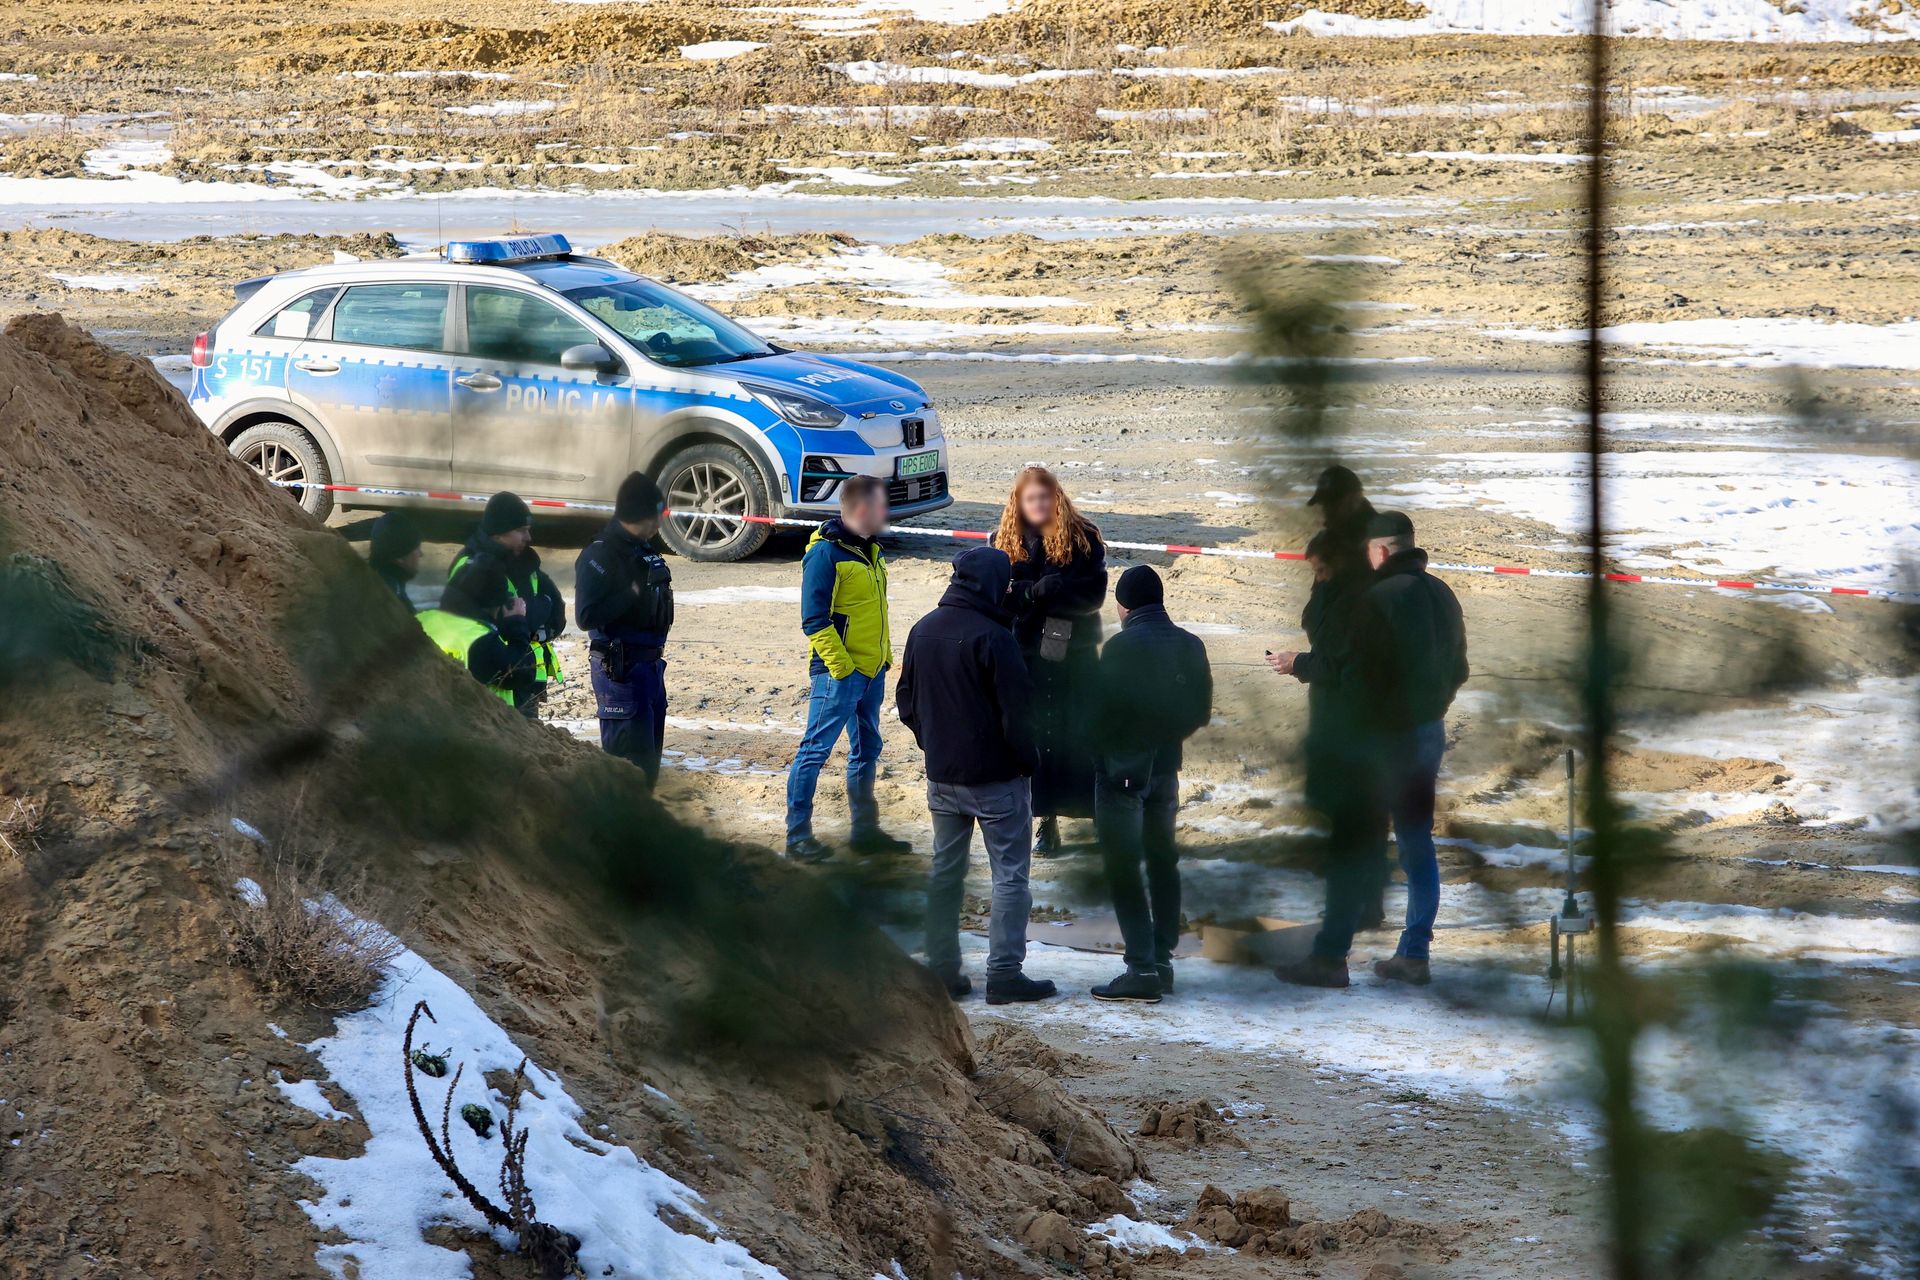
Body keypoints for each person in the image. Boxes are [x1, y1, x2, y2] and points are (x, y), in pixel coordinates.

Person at [897, 546, 1055, 1005]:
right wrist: (1028, 763)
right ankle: (1004, 974)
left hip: (942, 778)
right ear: (990, 585)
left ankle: (943, 971)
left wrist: (933, 743)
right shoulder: (994, 637)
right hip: (997, 781)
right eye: (1005, 583)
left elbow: (907, 701)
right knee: (1010, 877)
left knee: (945, 874)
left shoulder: (922, 629)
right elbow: (1018, 715)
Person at [1088, 566, 1213, 1004]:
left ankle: (1140, 968)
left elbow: (1102, 714)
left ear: (1124, 607)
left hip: (1123, 772)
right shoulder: (1190, 644)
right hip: (1166, 768)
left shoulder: (1121, 647)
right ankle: (1161, 960)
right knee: (1163, 862)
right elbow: (1200, 711)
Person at [1267, 530, 1386, 989]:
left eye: (1319, 570)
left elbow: (1338, 665)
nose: (1315, 579)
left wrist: (1298, 662)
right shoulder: (1368, 595)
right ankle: (1367, 908)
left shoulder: (1354, 604)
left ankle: (1331, 955)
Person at [785, 476, 912, 863]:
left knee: (867, 748)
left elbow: (876, 611)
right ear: (861, 509)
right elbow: (814, 620)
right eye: (881, 506)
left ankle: (864, 833)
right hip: (838, 674)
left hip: (872, 672)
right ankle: (797, 838)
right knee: (815, 751)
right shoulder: (825, 555)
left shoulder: (871, 550)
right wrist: (842, 669)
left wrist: (883, 656)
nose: (885, 513)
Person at [994, 466, 1108, 857]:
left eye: (1045, 497)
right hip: (1025, 654)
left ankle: (1094, 816)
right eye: (1031, 499)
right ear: (1020, 502)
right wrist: (1031, 595)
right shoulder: (1004, 540)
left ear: (1055, 496)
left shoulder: (1084, 537)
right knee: (1037, 736)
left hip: (1074, 655)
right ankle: (1046, 819)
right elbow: (999, 596)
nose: (1039, 505)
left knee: (1080, 734)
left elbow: (1093, 595)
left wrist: (1055, 596)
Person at [574, 472, 675, 786]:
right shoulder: (600, 554)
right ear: (646, 514)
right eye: (660, 513)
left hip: (649, 668)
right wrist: (631, 593)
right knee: (627, 774)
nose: (662, 521)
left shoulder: (641, 549)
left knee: (647, 773)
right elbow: (586, 616)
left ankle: (641, 831)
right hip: (622, 671)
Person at [451, 491, 568, 719]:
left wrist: (535, 622)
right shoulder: (473, 567)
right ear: (499, 533)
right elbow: (511, 621)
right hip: (491, 690)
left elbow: (557, 614)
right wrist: (535, 613)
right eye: (521, 530)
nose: (529, 537)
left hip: (526, 682)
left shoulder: (525, 563)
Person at [416, 558, 537, 706]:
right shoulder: (480, 639)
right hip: (473, 722)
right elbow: (522, 673)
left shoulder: (422, 619)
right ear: (495, 604)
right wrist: (516, 623)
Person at [367, 511, 423, 606]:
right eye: (416, 548)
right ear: (399, 557)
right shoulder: (389, 601)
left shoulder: (381, 583)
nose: (421, 554)